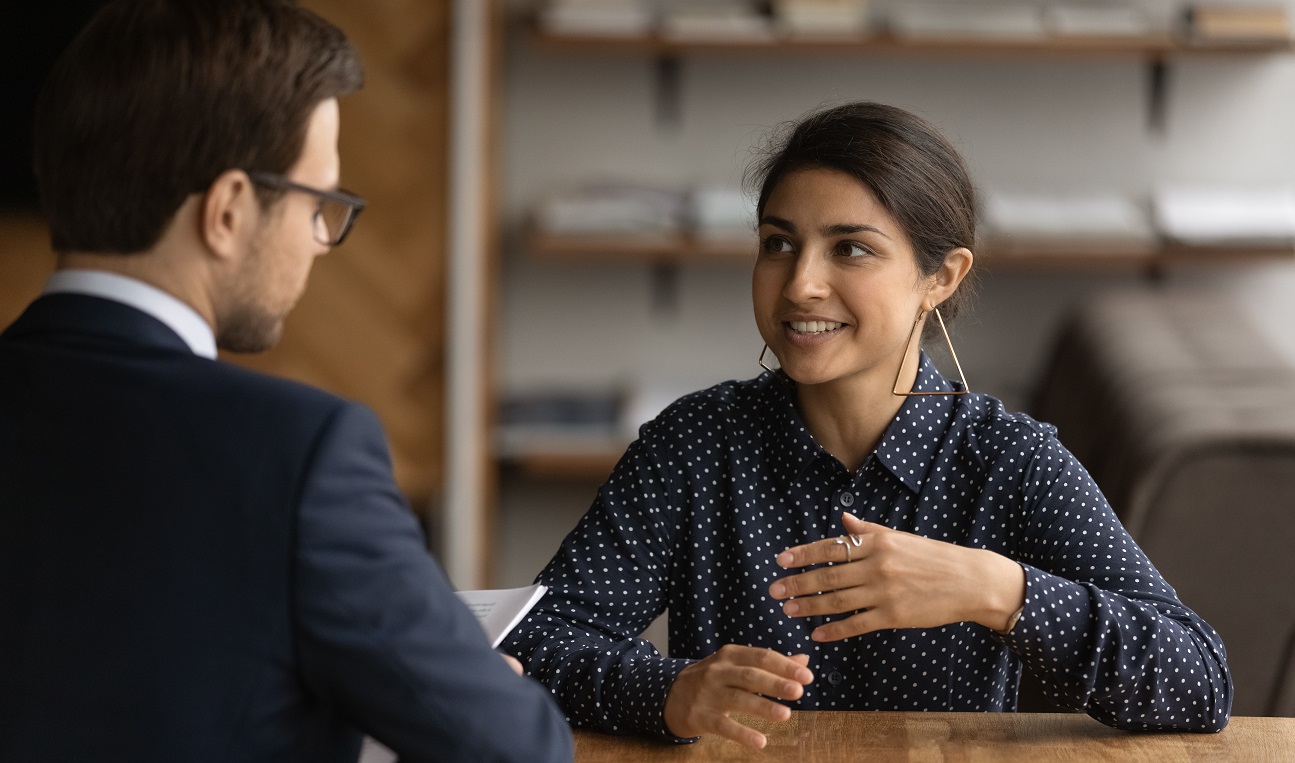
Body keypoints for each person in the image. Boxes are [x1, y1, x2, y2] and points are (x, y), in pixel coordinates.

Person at [503, 101, 1232, 749]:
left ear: (939, 278)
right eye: (777, 242)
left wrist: (995, 587)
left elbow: (1199, 680)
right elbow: (537, 639)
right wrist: (666, 689)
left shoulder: (1009, 461)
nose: (799, 284)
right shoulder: (695, 442)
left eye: (849, 248)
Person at [0, 2, 572, 761]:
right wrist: (470, 691)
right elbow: (516, 749)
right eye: (320, 204)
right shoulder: (300, 452)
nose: (321, 244)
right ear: (230, 209)